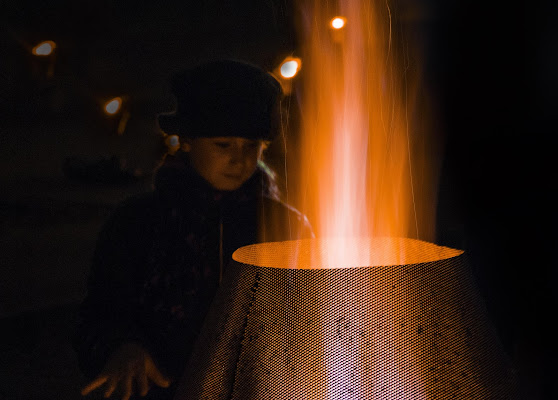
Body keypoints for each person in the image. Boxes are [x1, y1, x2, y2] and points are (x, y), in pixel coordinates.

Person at [73, 59, 314, 400]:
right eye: (223, 145)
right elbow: (101, 313)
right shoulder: (138, 222)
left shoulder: (286, 225)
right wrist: (122, 348)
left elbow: (313, 313)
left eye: (251, 146)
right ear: (186, 141)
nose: (239, 159)